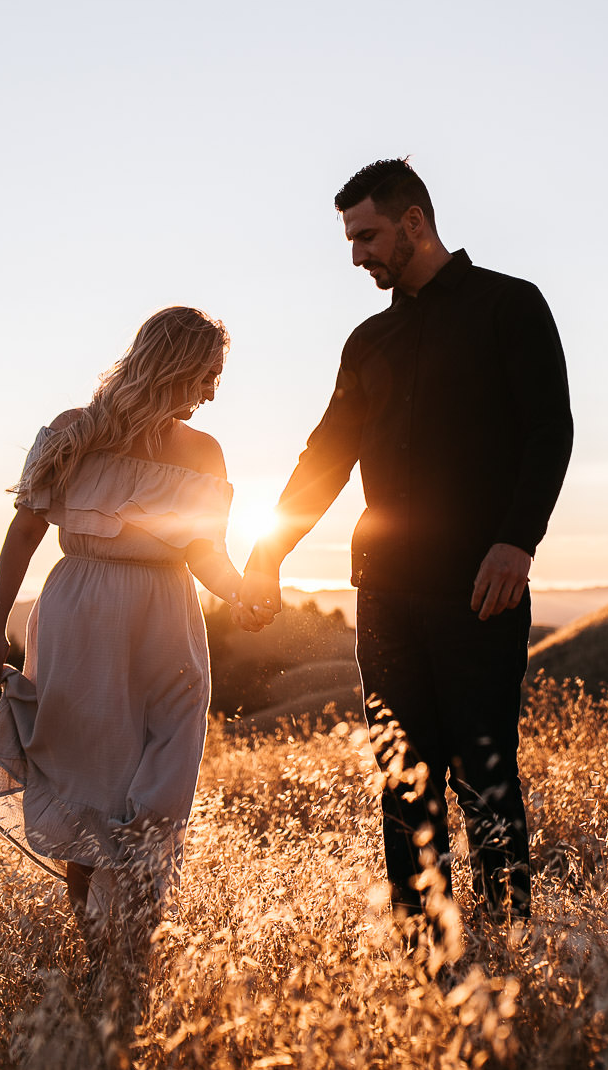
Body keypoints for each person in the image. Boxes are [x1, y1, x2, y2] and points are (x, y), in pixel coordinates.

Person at [241, 159, 573, 938]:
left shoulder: (510, 306)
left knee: (484, 772)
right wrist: (268, 552)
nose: (358, 255)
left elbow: (549, 431)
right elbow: (327, 454)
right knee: (402, 776)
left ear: (414, 222)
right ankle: (424, 951)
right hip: (385, 591)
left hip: (480, 587)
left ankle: (507, 943)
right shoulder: (369, 342)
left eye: (367, 236)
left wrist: (516, 542)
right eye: (351, 240)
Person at [0, 305, 257, 954]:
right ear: (174, 367)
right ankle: (100, 956)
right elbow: (24, 532)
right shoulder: (74, 432)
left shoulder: (205, 452)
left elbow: (205, 553)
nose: (213, 393)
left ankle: (135, 950)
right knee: (89, 786)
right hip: (81, 620)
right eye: (207, 376)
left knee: (164, 781)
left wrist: (242, 594)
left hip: (169, 623)